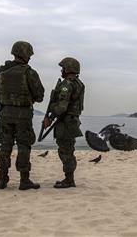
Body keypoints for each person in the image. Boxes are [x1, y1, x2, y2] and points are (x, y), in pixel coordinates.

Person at [0, 41, 44, 190]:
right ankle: (24, 180)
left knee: (5, 145)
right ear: (25, 54)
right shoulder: (29, 72)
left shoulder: (0, 72)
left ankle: (2, 179)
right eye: (29, 55)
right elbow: (40, 95)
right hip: (23, 115)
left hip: (5, 114)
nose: (30, 58)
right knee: (24, 146)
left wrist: (3, 105)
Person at [43, 57, 85, 188]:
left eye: (63, 68)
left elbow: (62, 107)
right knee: (69, 151)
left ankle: (69, 180)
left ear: (68, 69)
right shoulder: (79, 83)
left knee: (65, 152)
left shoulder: (67, 84)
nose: (61, 70)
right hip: (72, 121)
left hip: (66, 122)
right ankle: (69, 178)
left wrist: (50, 116)